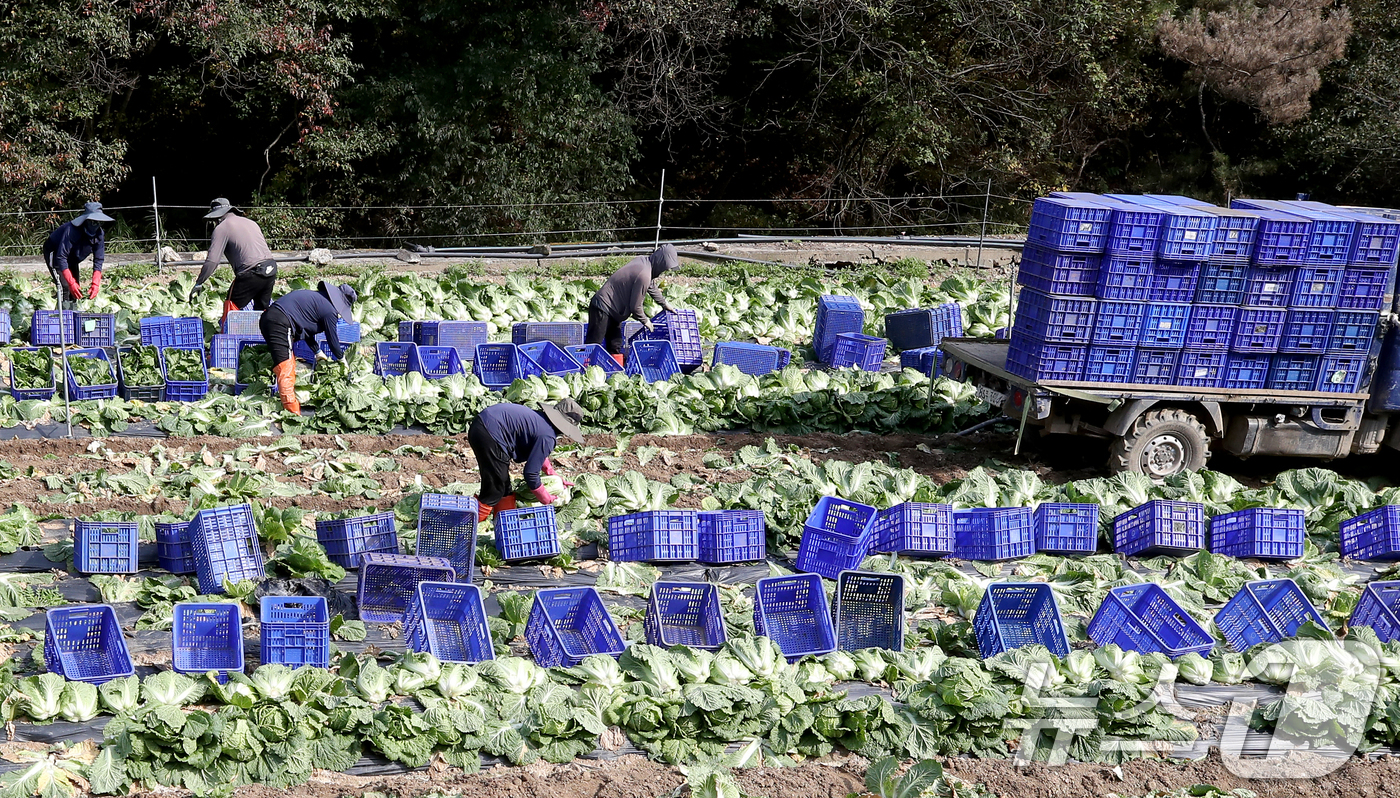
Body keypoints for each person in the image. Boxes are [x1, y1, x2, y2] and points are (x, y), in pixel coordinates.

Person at [467, 398, 586, 522]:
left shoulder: (541, 421)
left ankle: (507, 526)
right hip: (490, 432)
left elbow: (538, 452)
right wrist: (544, 497)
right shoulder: (548, 436)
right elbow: (530, 473)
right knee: (494, 490)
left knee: (504, 487)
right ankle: (465, 527)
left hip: (483, 425)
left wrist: (551, 472)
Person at [259, 281, 357, 414]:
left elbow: (304, 328)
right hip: (280, 323)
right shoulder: (330, 311)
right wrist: (341, 359)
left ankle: (287, 404)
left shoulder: (317, 299)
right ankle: (292, 413)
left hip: (268, 319)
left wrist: (317, 351)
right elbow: (332, 340)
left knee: (285, 360)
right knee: (285, 366)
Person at [189, 198, 279, 325]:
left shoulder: (222, 228)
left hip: (251, 272)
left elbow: (212, 261)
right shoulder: (251, 223)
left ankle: (228, 340)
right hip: (270, 268)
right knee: (262, 312)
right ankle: (262, 341)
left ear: (218, 217)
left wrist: (199, 282)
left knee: (230, 312)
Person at [585, 243, 678, 356]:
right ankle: (584, 369)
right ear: (660, 262)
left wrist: (664, 303)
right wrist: (646, 321)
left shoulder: (644, 262)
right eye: (664, 268)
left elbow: (651, 286)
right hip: (602, 307)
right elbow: (635, 307)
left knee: (615, 345)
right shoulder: (644, 274)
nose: (663, 271)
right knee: (593, 345)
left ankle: (612, 370)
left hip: (613, 312)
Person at [43, 202, 114, 303]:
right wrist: (71, 283)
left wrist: (95, 283)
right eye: (93, 222)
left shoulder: (99, 234)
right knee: (65, 287)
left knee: (76, 290)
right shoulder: (72, 230)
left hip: (73, 257)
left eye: (99, 222)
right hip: (55, 253)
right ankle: (62, 316)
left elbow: (99, 259)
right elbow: (61, 257)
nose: (96, 225)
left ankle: (73, 314)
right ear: (86, 220)